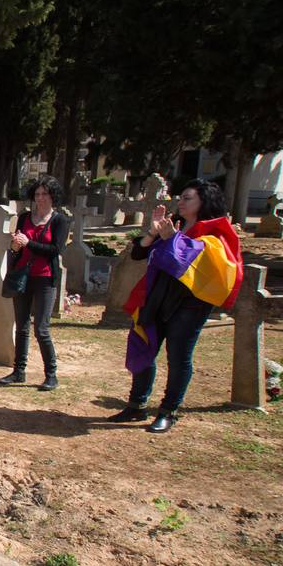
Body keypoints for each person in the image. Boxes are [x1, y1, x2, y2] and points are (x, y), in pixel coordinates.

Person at [112, 179, 233, 433]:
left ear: (204, 202)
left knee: (178, 357)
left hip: (190, 305)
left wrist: (172, 239)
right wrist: (154, 233)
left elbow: (193, 263)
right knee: (144, 346)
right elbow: (138, 254)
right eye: (181, 197)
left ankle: (168, 411)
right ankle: (137, 405)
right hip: (159, 298)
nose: (180, 201)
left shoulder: (214, 234)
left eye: (187, 198)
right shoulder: (173, 227)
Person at [0, 176, 68, 391]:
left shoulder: (59, 220)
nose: (40, 198)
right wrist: (16, 246)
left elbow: (56, 250)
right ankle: (19, 372)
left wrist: (30, 243)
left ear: (52, 196)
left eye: (44, 194)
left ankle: (51, 374)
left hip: (45, 277)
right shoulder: (24, 217)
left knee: (42, 328)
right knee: (21, 326)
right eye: (37, 194)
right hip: (23, 275)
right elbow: (16, 249)